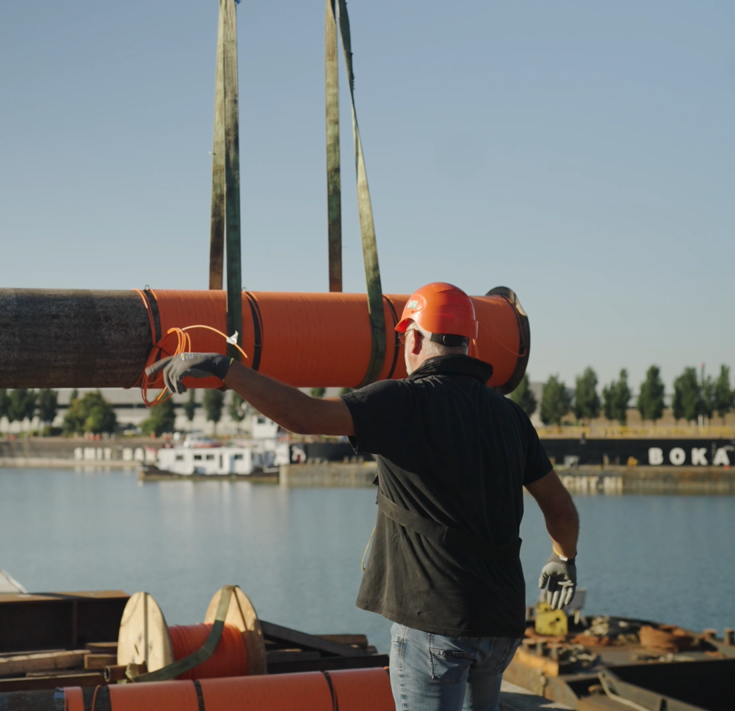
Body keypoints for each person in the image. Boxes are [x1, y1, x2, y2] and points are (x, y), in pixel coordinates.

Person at [146, 282, 580, 711]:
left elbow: (304, 416)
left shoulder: (402, 400)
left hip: (435, 625)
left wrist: (226, 369)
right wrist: (564, 558)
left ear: (412, 337)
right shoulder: (510, 416)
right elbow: (560, 510)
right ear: (469, 344)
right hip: (500, 624)